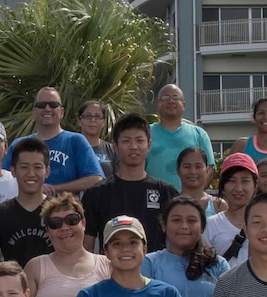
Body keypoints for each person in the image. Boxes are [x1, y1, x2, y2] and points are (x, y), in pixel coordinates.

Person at [82, 114, 180, 253]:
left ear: (149, 145)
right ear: (115, 146)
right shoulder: (97, 193)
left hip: (153, 272)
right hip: (111, 270)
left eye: (140, 140)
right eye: (126, 141)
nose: (134, 147)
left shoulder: (166, 192)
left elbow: (178, 239)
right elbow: (87, 245)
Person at [0, 138, 53, 265]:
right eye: (24, 167)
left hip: (54, 283)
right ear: (13, 171)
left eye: (37, 167)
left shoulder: (59, 211)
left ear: (47, 171)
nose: (31, 174)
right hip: (12, 283)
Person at [31, 87, 104, 194]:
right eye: (41, 105)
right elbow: (5, 178)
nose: (47, 109)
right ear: (34, 112)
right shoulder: (19, 144)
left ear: (61, 112)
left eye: (53, 105)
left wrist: (54, 189)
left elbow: (96, 179)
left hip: (65, 208)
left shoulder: (76, 141)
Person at [147, 83, 212, 188]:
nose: (171, 101)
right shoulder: (146, 133)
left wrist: (194, 196)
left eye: (176, 97)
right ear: (158, 104)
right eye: (165, 97)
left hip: (189, 201)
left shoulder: (199, 134)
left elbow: (209, 170)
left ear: (183, 105)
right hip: (152, 199)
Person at [205, 155, 258, 258]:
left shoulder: (266, 225)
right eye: (232, 181)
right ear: (223, 185)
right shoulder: (210, 225)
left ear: (255, 185)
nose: (238, 188)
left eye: (245, 181)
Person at [75, 100, 115, 178]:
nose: (92, 120)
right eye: (88, 116)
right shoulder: (70, 148)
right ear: (79, 121)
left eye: (97, 116)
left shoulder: (112, 150)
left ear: (103, 122)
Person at [175, 146, 216, 210]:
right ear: (178, 171)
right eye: (187, 167)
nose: (193, 172)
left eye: (198, 167)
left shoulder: (218, 205)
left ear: (207, 170)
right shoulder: (169, 204)